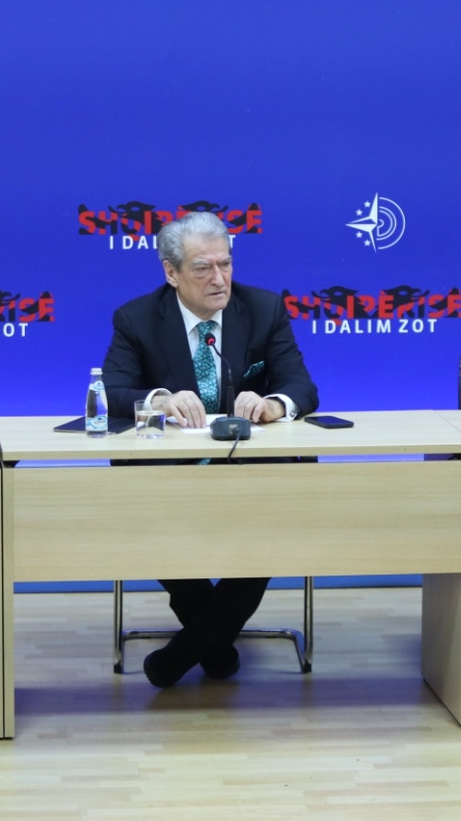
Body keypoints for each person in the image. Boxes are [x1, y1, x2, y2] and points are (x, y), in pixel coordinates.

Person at [101, 211, 319, 688]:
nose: (219, 279)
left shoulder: (263, 309)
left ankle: (189, 649)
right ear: (171, 272)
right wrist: (159, 399)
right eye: (203, 268)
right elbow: (112, 391)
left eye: (226, 264)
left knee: (273, 521)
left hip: (253, 474)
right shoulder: (137, 318)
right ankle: (215, 642)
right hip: (169, 475)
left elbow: (301, 386)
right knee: (145, 513)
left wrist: (273, 404)